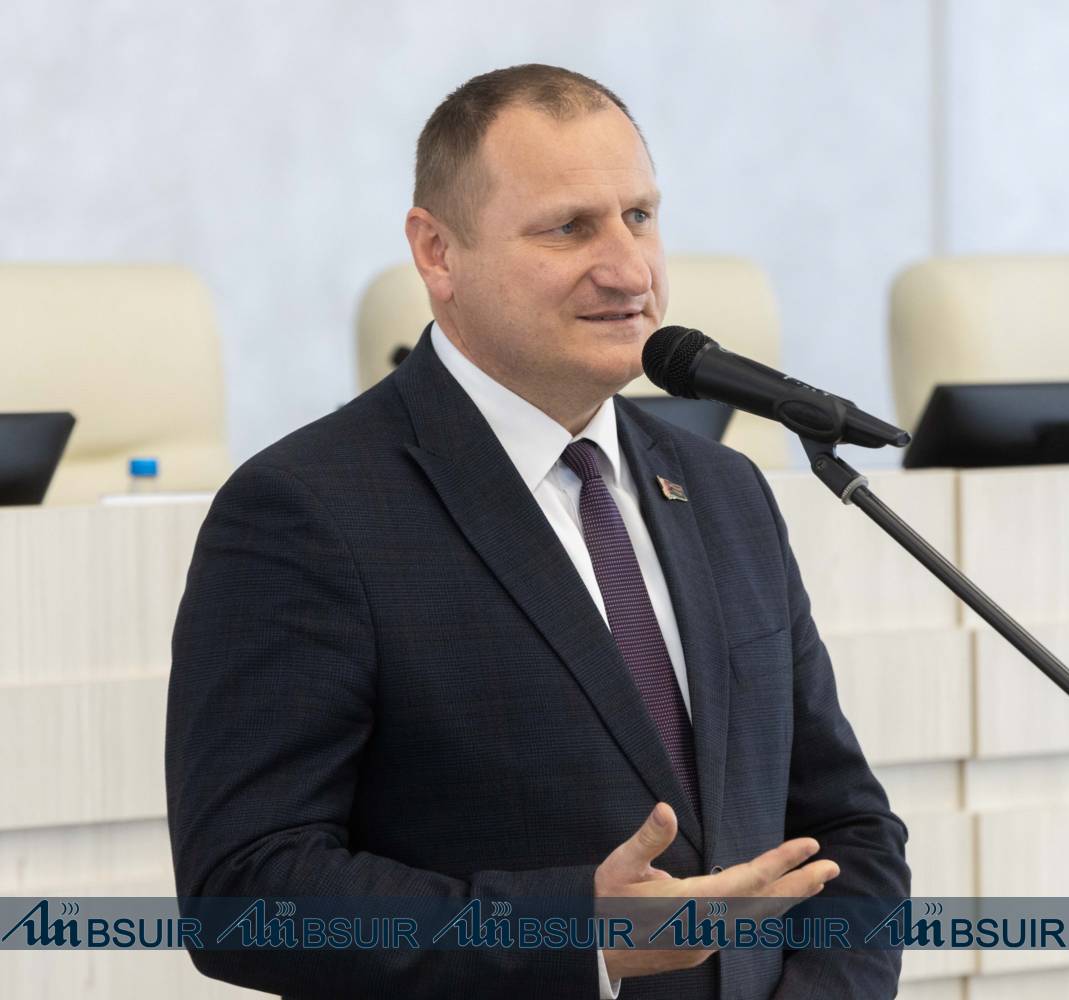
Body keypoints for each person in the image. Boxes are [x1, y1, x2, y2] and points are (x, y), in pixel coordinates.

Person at [165, 64, 909, 999]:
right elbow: (243, 892)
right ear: (438, 252)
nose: (630, 270)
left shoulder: (726, 492)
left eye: (639, 216)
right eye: (568, 228)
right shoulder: (307, 511)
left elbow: (847, 829)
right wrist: (576, 935)